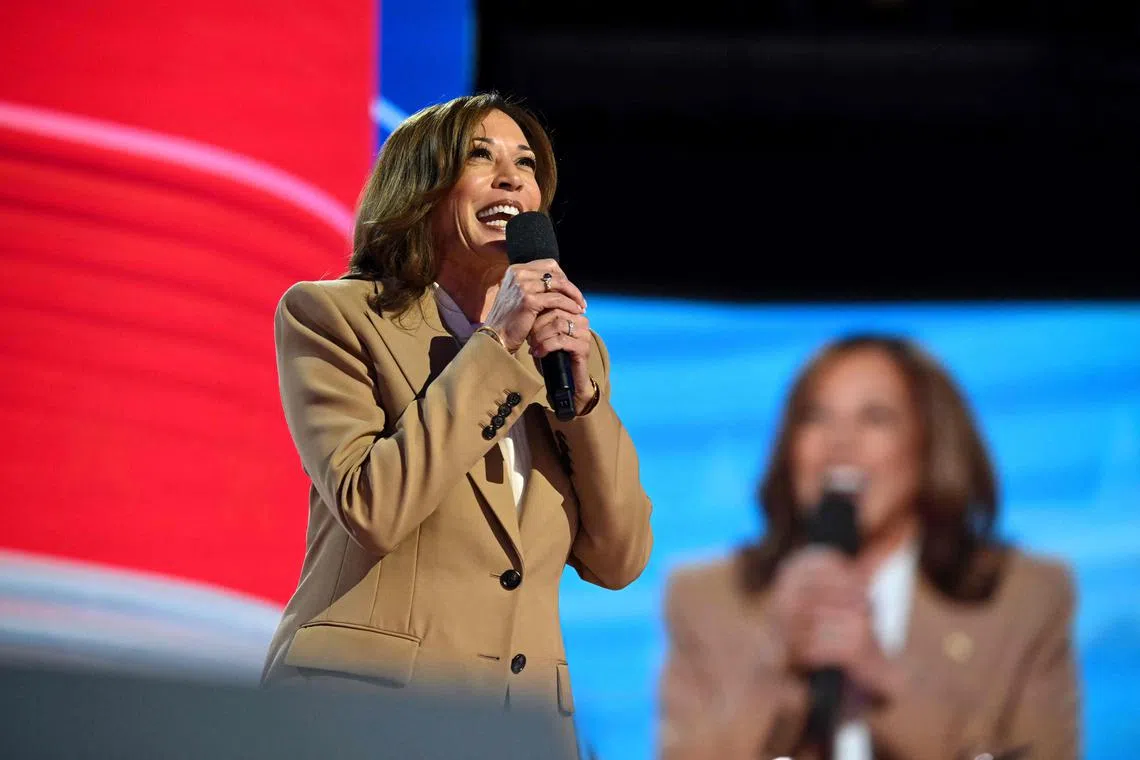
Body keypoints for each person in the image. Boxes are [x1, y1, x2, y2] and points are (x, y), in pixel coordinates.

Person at [261, 93, 653, 752]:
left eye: (525, 165)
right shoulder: (335, 319)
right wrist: (493, 351)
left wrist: (580, 398)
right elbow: (374, 507)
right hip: (363, 717)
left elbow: (620, 559)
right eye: (482, 156)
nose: (511, 178)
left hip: (520, 729)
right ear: (421, 190)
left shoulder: (572, 351)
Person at [659, 335, 1079, 760]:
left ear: (930, 441)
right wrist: (777, 666)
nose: (839, 441)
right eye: (815, 417)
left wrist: (889, 680)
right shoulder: (707, 598)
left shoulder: (1025, 597)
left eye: (875, 418)